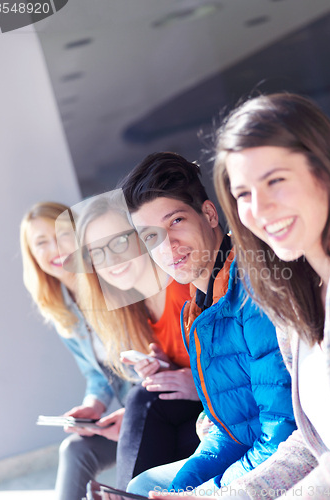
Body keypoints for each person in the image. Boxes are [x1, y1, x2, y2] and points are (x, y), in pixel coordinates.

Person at [210, 92, 330, 498]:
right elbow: (313, 445)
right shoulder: (293, 303)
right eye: (243, 194)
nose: (260, 208)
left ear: (325, 171)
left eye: (276, 181)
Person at [118, 152, 296, 495]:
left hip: (285, 463)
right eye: (152, 237)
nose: (168, 246)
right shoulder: (196, 310)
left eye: (176, 222)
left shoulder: (252, 291)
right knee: (141, 487)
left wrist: (200, 492)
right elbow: (225, 429)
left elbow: (281, 436)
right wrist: (185, 486)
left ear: (210, 214)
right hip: (245, 452)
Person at [66, 191, 203, 490]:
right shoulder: (132, 313)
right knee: (149, 406)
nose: (110, 260)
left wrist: (197, 382)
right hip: (187, 416)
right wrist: (131, 422)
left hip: (224, 408)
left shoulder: (185, 286)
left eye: (118, 242)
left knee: (144, 397)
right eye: (97, 252)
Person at [20, 202, 129, 500]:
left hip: (158, 407)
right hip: (124, 416)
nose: (55, 248)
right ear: (32, 255)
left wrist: (131, 413)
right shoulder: (62, 312)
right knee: (74, 449)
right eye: (41, 242)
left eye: (62, 234)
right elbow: (97, 374)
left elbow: (161, 355)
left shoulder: (117, 281)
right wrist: (92, 406)